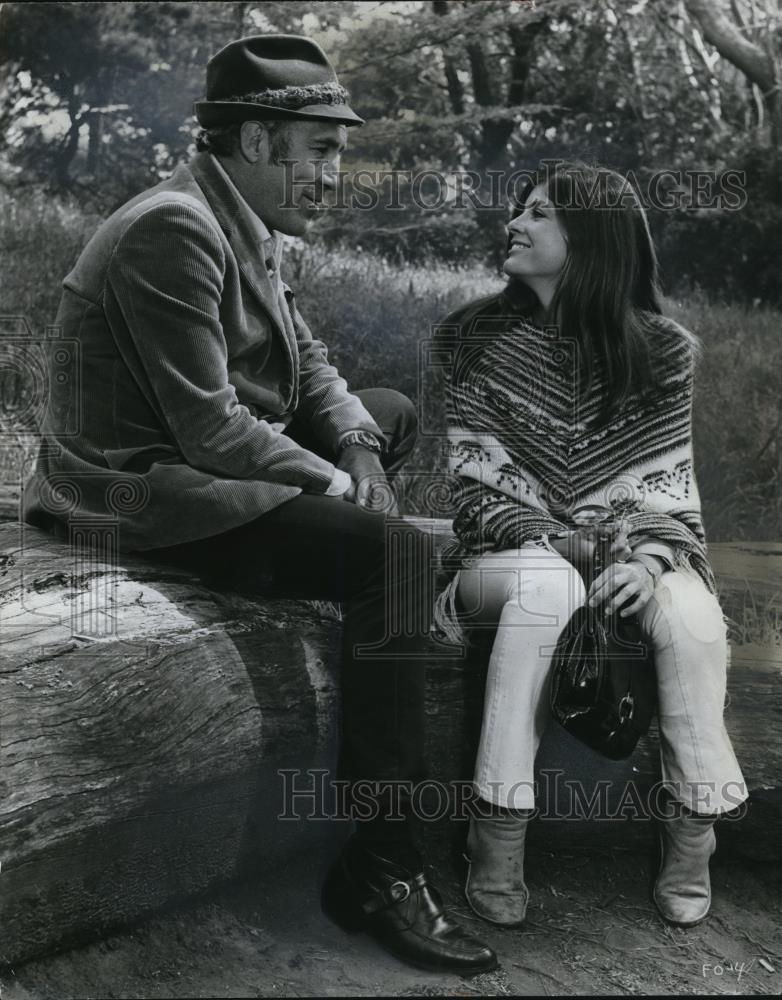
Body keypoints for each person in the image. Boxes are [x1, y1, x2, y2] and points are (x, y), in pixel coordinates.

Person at [23, 33, 496, 975]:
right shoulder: (175, 228)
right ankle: (384, 866)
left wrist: (359, 447)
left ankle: (350, 539)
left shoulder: (239, 220)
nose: (335, 172)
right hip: (141, 489)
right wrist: (337, 490)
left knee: (386, 415)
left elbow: (308, 361)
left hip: (207, 459)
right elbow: (207, 429)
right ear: (253, 142)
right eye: (320, 149)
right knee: (395, 557)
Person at [433, 160, 747, 930]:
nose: (514, 223)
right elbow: (474, 497)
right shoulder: (473, 340)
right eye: (520, 209)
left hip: (631, 553)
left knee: (691, 617)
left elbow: (670, 495)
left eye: (538, 213)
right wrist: (568, 545)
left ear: (592, 236)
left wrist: (644, 560)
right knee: (549, 586)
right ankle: (498, 828)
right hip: (498, 566)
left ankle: (692, 831)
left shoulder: (665, 351)